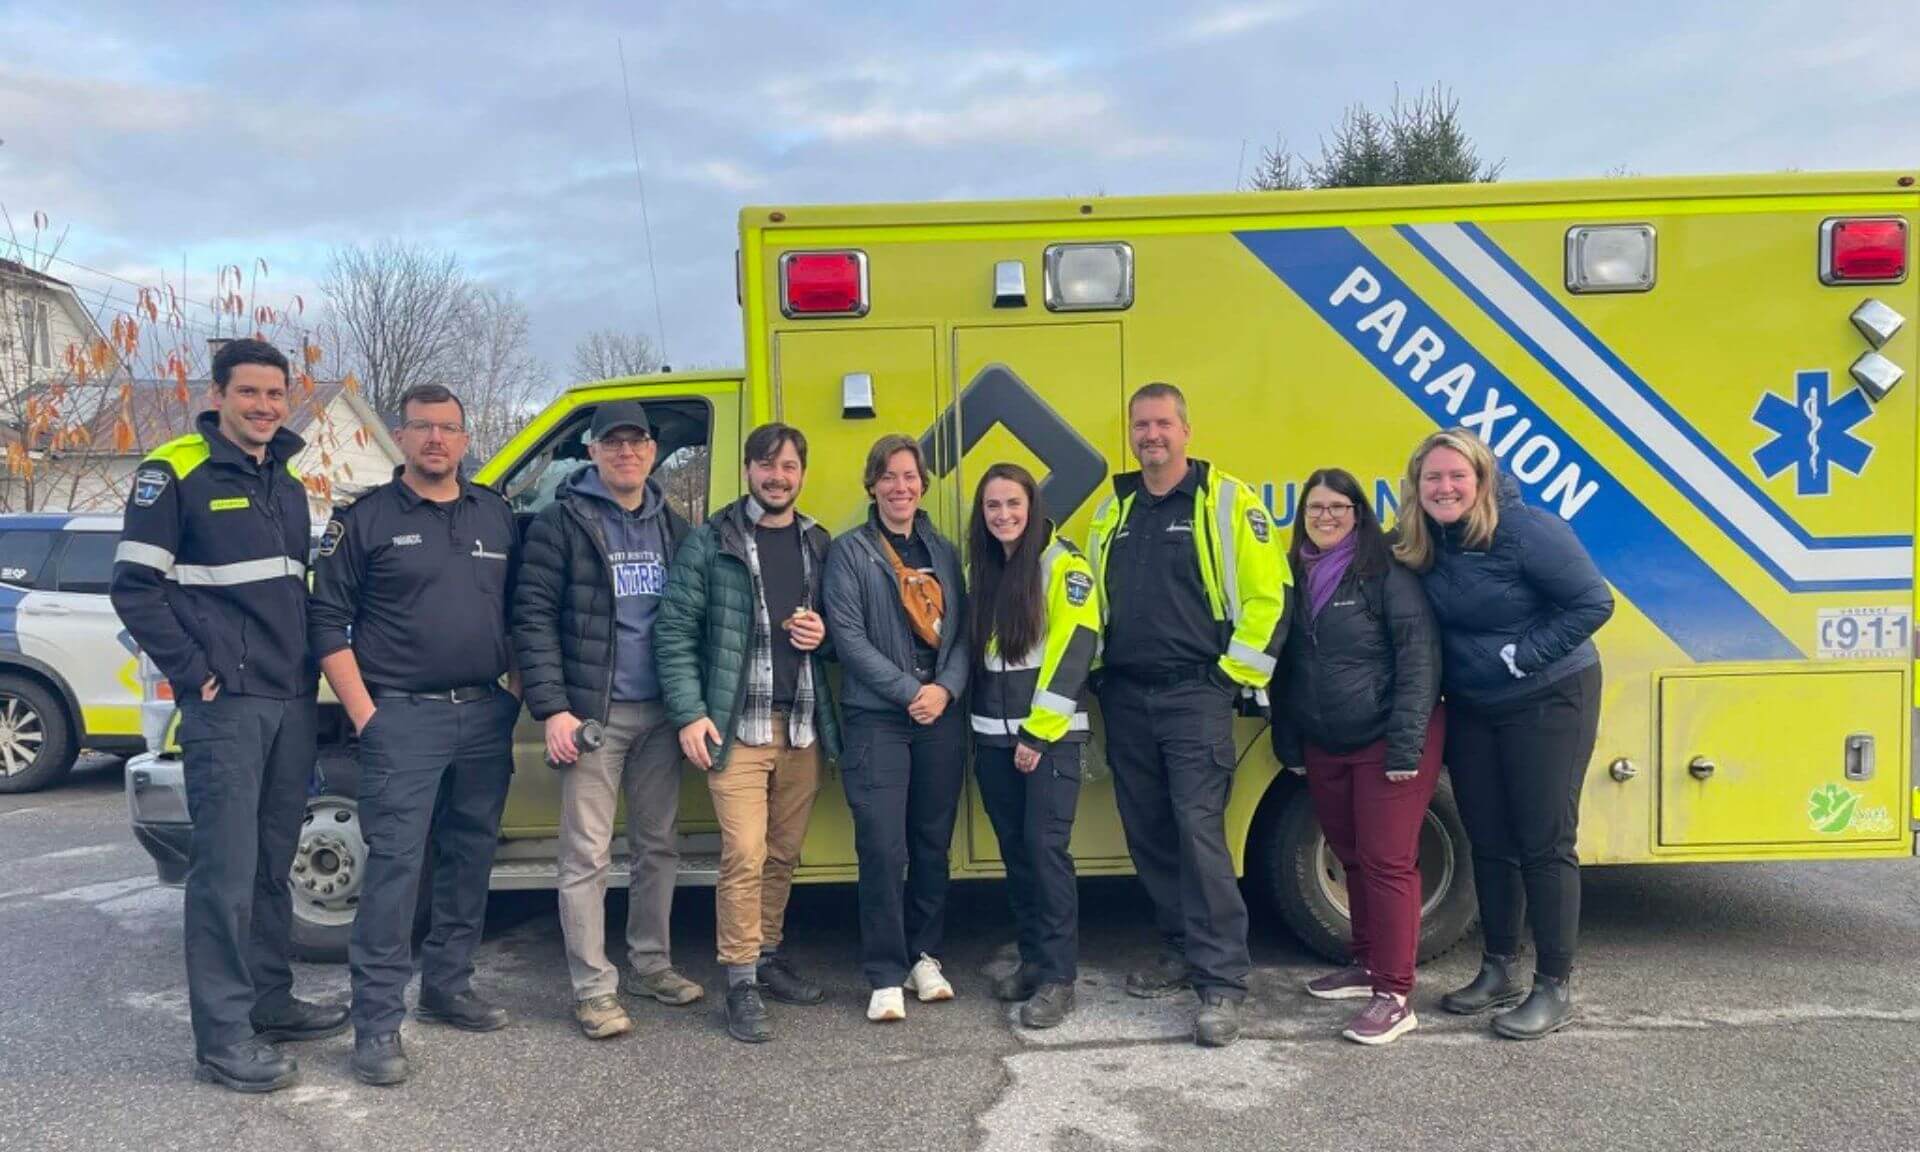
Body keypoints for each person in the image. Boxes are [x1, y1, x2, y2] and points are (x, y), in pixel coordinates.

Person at [110, 337, 345, 1093]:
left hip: (288, 699)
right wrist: (194, 669)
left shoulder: (286, 479)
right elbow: (135, 588)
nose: (266, 407)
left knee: (274, 864)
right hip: (226, 707)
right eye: (250, 393)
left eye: (276, 394)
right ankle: (222, 1039)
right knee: (225, 874)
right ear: (218, 395)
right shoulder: (174, 470)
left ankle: (270, 1003)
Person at [309, 384, 524, 1085]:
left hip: (485, 716)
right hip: (402, 716)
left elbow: (522, 613)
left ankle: (448, 987)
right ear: (403, 436)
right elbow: (324, 624)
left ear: (466, 439)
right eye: (424, 427)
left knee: (469, 858)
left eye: (450, 428)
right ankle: (375, 1025)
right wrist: (370, 714)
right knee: (397, 872)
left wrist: (513, 693)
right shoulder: (365, 520)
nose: (437, 439)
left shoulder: (496, 514)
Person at [1085, 381, 1289, 1048]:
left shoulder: (1225, 501)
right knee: (1148, 831)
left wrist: (1227, 678)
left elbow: (1270, 597)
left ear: (1186, 430)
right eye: (1141, 424)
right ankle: (1179, 948)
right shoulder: (1112, 510)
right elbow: (1089, 600)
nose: (1152, 435)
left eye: (1163, 423)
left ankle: (1222, 983)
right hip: (1125, 696)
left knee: (1199, 833)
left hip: (1192, 697)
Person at [1396, 428, 1612, 1040]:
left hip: (1548, 698)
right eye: (1432, 478)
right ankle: (1498, 969)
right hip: (1473, 705)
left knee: (1544, 841)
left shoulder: (1527, 530)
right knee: (1488, 839)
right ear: (1417, 486)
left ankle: (1554, 986)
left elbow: (1593, 601)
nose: (1444, 488)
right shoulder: (1423, 540)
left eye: (1457, 476)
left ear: (1482, 480)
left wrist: (1524, 655)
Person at [511, 400, 702, 1041]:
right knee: (586, 855)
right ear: (591, 451)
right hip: (596, 716)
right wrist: (554, 709)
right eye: (612, 442)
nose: (626, 452)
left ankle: (651, 964)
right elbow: (531, 621)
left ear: (652, 451)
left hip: (662, 717)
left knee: (659, 846)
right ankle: (593, 989)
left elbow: (690, 623)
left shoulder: (674, 528)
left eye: (637, 441)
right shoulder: (559, 524)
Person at [654, 422, 840, 1044]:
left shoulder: (819, 541)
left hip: (802, 727)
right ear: (747, 469)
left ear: (802, 474)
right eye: (766, 465)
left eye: (788, 466)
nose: (777, 476)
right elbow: (675, 632)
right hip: (737, 731)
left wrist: (827, 638)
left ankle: (766, 956)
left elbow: (847, 631)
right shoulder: (711, 542)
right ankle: (739, 983)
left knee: (783, 856)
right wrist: (688, 712)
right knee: (744, 856)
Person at [1272, 468, 1442, 1046]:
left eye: (1338, 507)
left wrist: (1406, 744)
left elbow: (1419, 659)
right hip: (1326, 740)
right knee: (1351, 855)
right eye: (1316, 507)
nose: (1326, 516)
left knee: (1388, 860)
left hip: (1383, 738)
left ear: (1358, 513)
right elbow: (1289, 666)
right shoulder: (1296, 573)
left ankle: (1395, 995)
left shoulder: (1383, 572)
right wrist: (1289, 739)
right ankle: (1366, 961)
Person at [823, 434, 970, 1025]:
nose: (900, 486)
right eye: (888, 476)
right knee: (883, 847)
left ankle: (924, 956)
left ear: (922, 484)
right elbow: (849, 639)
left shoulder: (945, 551)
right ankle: (884, 972)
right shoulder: (849, 553)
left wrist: (945, 690)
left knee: (933, 844)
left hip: (940, 717)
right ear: (872, 484)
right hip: (876, 719)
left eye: (910, 476)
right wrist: (912, 692)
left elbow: (963, 633)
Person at [965, 464, 1098, 1030]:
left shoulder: (1062, 565)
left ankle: (1057, 979)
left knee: (1046, 856)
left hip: (1046, 741)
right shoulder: (983, 569)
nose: (1004, 515)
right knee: (1018, 858)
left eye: (1013, 504)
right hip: (992, 741)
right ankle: (1032, 959)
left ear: (1032, 505)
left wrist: (1038, 734)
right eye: (993, 506)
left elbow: (1077, 648)